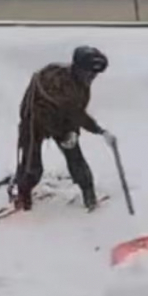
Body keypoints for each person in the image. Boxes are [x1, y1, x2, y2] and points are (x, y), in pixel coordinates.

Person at [11, 45, 117, 211]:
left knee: (77, 161)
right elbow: (46, 114)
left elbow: (77, 113)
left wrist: (98, 131)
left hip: (63, 123)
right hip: (34, 122)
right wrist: (67, 133)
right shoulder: (55, 81)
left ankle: (89, 197)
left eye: (94, 74)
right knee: (32, 167)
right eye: (88, 73)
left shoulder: (81, 85)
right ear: (77, 69)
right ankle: (23, 197)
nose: (91, 77)